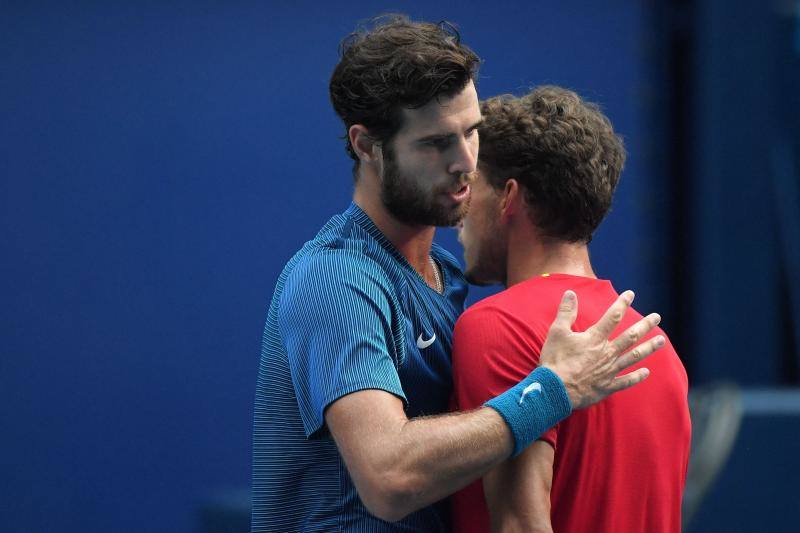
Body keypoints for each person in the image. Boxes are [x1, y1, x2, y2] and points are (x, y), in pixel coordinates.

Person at [252, 17, 666, 532]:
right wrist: (554, 389)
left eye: (472, 132)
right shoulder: (334, 276)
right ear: (365, 145)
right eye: (435, 143)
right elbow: (390, 476)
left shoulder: (448, 278)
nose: (466, 161)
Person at [451, 86, 691, 533]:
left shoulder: (497, 326)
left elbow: (520, 526)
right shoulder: (661, 352)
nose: (458, 209)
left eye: (470, 186)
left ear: (508, 197)